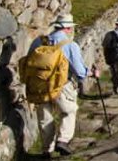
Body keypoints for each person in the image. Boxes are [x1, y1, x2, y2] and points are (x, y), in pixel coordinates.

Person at [27, 14, 99, 157]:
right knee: (69, 111)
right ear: (67, 28)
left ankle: (47, 150)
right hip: (62, 85)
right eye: (70, 28)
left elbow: (30, 61)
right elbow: (79, 72)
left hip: (40, 85)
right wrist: (91, 73)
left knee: (45, 117)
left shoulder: (39, 42)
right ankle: (63, 140)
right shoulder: (70, 45)